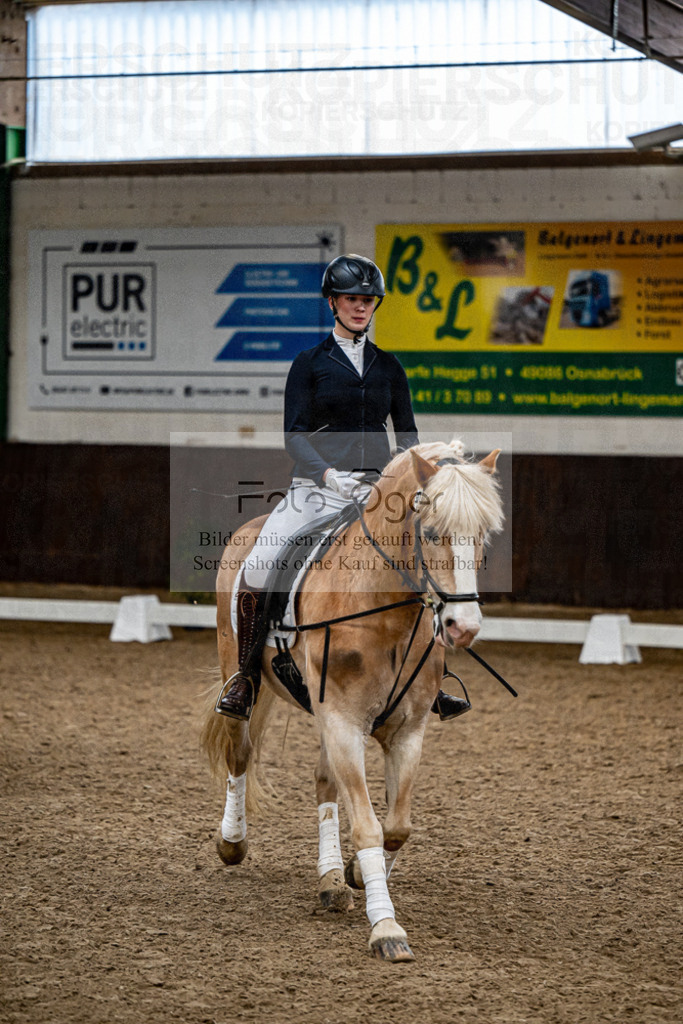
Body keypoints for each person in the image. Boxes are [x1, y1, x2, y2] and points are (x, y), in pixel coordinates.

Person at [216, 253, 469, 722]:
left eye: (368, 301)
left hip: (378, 493)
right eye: (352, 299)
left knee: (424, 565)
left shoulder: (389, 367)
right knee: (261, 563)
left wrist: (403, 479)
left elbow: (408, 436)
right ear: (333, 302)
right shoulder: (309, 364)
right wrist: (331, 475)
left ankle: (433, 679)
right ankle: (246, 678)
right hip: (317, 489)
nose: (361, 307)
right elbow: (294, 436)